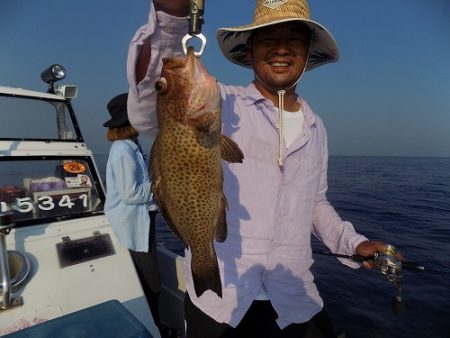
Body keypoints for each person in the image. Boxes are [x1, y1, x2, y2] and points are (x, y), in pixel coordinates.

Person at [126, 1, 403, 337]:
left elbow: (316, 203)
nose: (281, 49)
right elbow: (148, 101)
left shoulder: (317, 128)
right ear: (250, 50)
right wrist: (173, 18)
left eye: (294, 40)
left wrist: (353, 243)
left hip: (295, 297)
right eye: (268, 39)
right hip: (221, 301)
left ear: (308, 53)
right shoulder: (222, 105)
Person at [103, 93, 165, 336]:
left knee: (149, 278)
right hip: (133, 226)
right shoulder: (123, 151)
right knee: (151, 282)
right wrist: (160, 183)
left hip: (141, 222)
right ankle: (154, 326)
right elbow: (131, 194)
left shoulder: (131, 148)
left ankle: (155, 322)